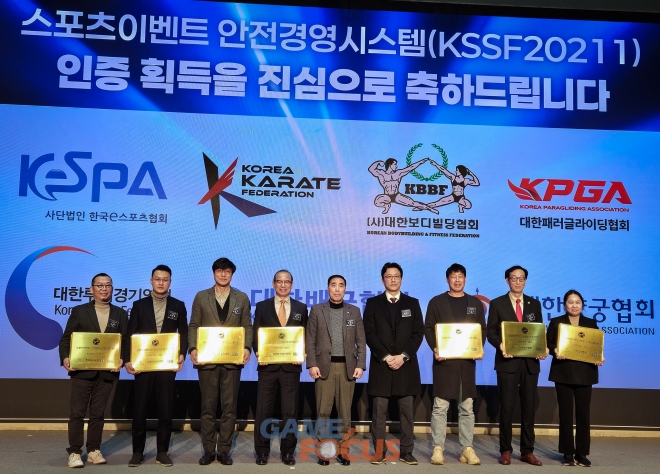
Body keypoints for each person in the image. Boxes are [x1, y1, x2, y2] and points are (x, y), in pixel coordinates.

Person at [58, 273, 128, 468]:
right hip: (82, 371)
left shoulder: (120, 314)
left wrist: (122, 359)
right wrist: (65, 357)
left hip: (107, 372)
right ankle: (74, 452)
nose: (104, 289)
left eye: (108, 285)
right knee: (77, 413)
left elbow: (125, 342)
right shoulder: (79, 311)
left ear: (112, 288)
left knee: (98, 414)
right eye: (100, 285)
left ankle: (93, 450)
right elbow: (66, 338)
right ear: (91, 289)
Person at [188, 257, 253, 466]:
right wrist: (193, 348)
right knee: (208, 406)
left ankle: (224, 450)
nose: (223, 274)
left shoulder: (241, 297)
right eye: (219, 271)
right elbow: (193, 325)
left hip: (232, 361)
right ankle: (208, 450)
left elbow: (247, 326)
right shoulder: (201, 296)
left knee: (229, 407)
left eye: (227, 271)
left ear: (232, 274)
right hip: (207, 360)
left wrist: (247, 347)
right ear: (213, 273)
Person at [124, 265, 188, 467]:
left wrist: (182, 354)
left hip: (166, 365)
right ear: (151, 281)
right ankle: (137, 452)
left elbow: (183, 333)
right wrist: (127, 359)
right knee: (139, 410)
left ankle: (162, 452)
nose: (161, 282)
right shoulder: (139, 305)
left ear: (170, 282)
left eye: (165, 279)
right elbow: (130, 334)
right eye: (157, 279)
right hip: (143, 365)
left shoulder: (178, 305)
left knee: (166, 410)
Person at [424, 263, 486, 465]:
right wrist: (435, 348)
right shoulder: (436, 302)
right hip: (444, 364)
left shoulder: (475, 303)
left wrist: (478, 347)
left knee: (467, 408)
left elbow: (482, 329)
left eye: (460, 276)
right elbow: (428, 328)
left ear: (465, 279)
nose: (457, 280)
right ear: (447, 279)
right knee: (440, 407)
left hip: (466, 365)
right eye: (453, 276)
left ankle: (467, 448)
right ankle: (438, 448)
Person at [363, 262, 424, 465]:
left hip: (406, 366)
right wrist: (386, 356)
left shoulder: (412, 303)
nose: (393, 279)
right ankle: (379, 452)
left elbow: (418, 333)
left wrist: (403, 356)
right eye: (389, 276)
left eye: (396, 276)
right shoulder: (373, 303)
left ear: (401, 279)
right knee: (379, 412)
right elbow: (369, 333)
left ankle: (406, 451)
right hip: (382, 365)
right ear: (383, 280)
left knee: (407, 412)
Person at [487, 265, 547, 466]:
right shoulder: (497, 303)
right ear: (507, 281)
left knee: (529, 408)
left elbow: (538, 331)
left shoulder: (534, 304)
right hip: (507, 362)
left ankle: (527, 451)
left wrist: (542, 348)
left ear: (525, 281)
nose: (518, 282)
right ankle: (505, 450)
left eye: (521, 278)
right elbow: (491, 332)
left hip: (530, 363)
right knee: (507, 407)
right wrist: (501, 345)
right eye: (514, 278)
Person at [306, 275, 367, 466]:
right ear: (328, 288)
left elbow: (361, 341)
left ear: (345, 289)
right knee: (323, 411)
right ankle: (324, 451)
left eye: (341, 285)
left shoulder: (354, 311)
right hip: (323, 367)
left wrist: (360, 364)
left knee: (344, 413)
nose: (337, 289)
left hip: (348, 368)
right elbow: (310, 339)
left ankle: (343, 451)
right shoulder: (317, 310)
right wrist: (312, 364)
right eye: (334, 285)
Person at [253, 270, 308, 466]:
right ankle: (262, 452)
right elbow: (256, 333)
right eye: (279, 281)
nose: (283, 285)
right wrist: (259, 352)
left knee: (290, 412)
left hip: (291, 368)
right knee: (263, 411)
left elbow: (306, 334)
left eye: (287, 282)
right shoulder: (262, 306)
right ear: (273, 283)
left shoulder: (301, 307)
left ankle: (288, 452)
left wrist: (302, 353)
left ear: (292, 284)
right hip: (267, 367)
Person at [547, 290, 604, 467]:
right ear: (565, 305)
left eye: (577, 302)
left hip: (585, 374)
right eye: (570, 302)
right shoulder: (556, 322)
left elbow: (596, 345)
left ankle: (581, 453)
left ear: (582, 304)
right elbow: (547, 342)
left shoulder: (591, 323)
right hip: (563, 372)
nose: (574, 305)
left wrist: (599, 356)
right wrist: (555, 350)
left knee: (583, 415)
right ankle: (567, 453)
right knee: (565, 415)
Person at [368, 158, 438, 214]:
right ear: (390, 165)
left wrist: (421, 162)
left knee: (413, 203)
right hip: (386, 196)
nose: (396, 166)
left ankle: (430, 208)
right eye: (395, 164)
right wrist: (378, 162)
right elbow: (371, 169)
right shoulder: (381, 174)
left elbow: (410, 167)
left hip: (396, 195)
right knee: (377, 202)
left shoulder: (398, 173)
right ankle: (386, 206)